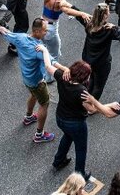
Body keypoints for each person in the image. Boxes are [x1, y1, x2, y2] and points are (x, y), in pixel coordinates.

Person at [0, 18, 57, 143]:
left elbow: (5, 33)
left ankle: (29, 117)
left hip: (27, 79)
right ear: (36, 31)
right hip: (37, 81)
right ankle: (39, 134)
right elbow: (52, 62)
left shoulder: (20, 38)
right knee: (44, 104)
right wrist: (66, 69)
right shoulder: (37, 48)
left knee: (33, 94)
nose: (46, 33)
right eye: (44, 31)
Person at [39, 49, 93, 179]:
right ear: (84, 77)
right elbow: (91, 109)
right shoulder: (81, 91)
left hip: (60, 118)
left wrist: (45, 50)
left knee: (68, 136)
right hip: (76, 123)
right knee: (81, 148)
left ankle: (59, 160)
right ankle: (80, 174)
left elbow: (47, 66)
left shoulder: (62, 77)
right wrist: (94, 102)